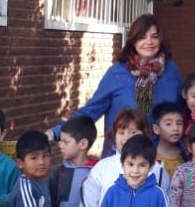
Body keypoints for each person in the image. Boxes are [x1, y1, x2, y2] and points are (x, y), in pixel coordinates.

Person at [47, 15, 183, 153]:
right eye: (142, 37)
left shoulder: (171, 71)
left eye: (154, 36)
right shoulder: (117, 73)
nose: (149, 42)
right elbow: (92, 110)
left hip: (160, 157)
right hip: (120, 158)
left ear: (161, 40)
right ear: (133, 40)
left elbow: (183, 111)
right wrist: (57, 131)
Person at [152, 101, 189, 192]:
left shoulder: (187, 154)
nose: (175, 128)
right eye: (168, 124)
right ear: (156, 129)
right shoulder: (151, 157)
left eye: (179, 123)